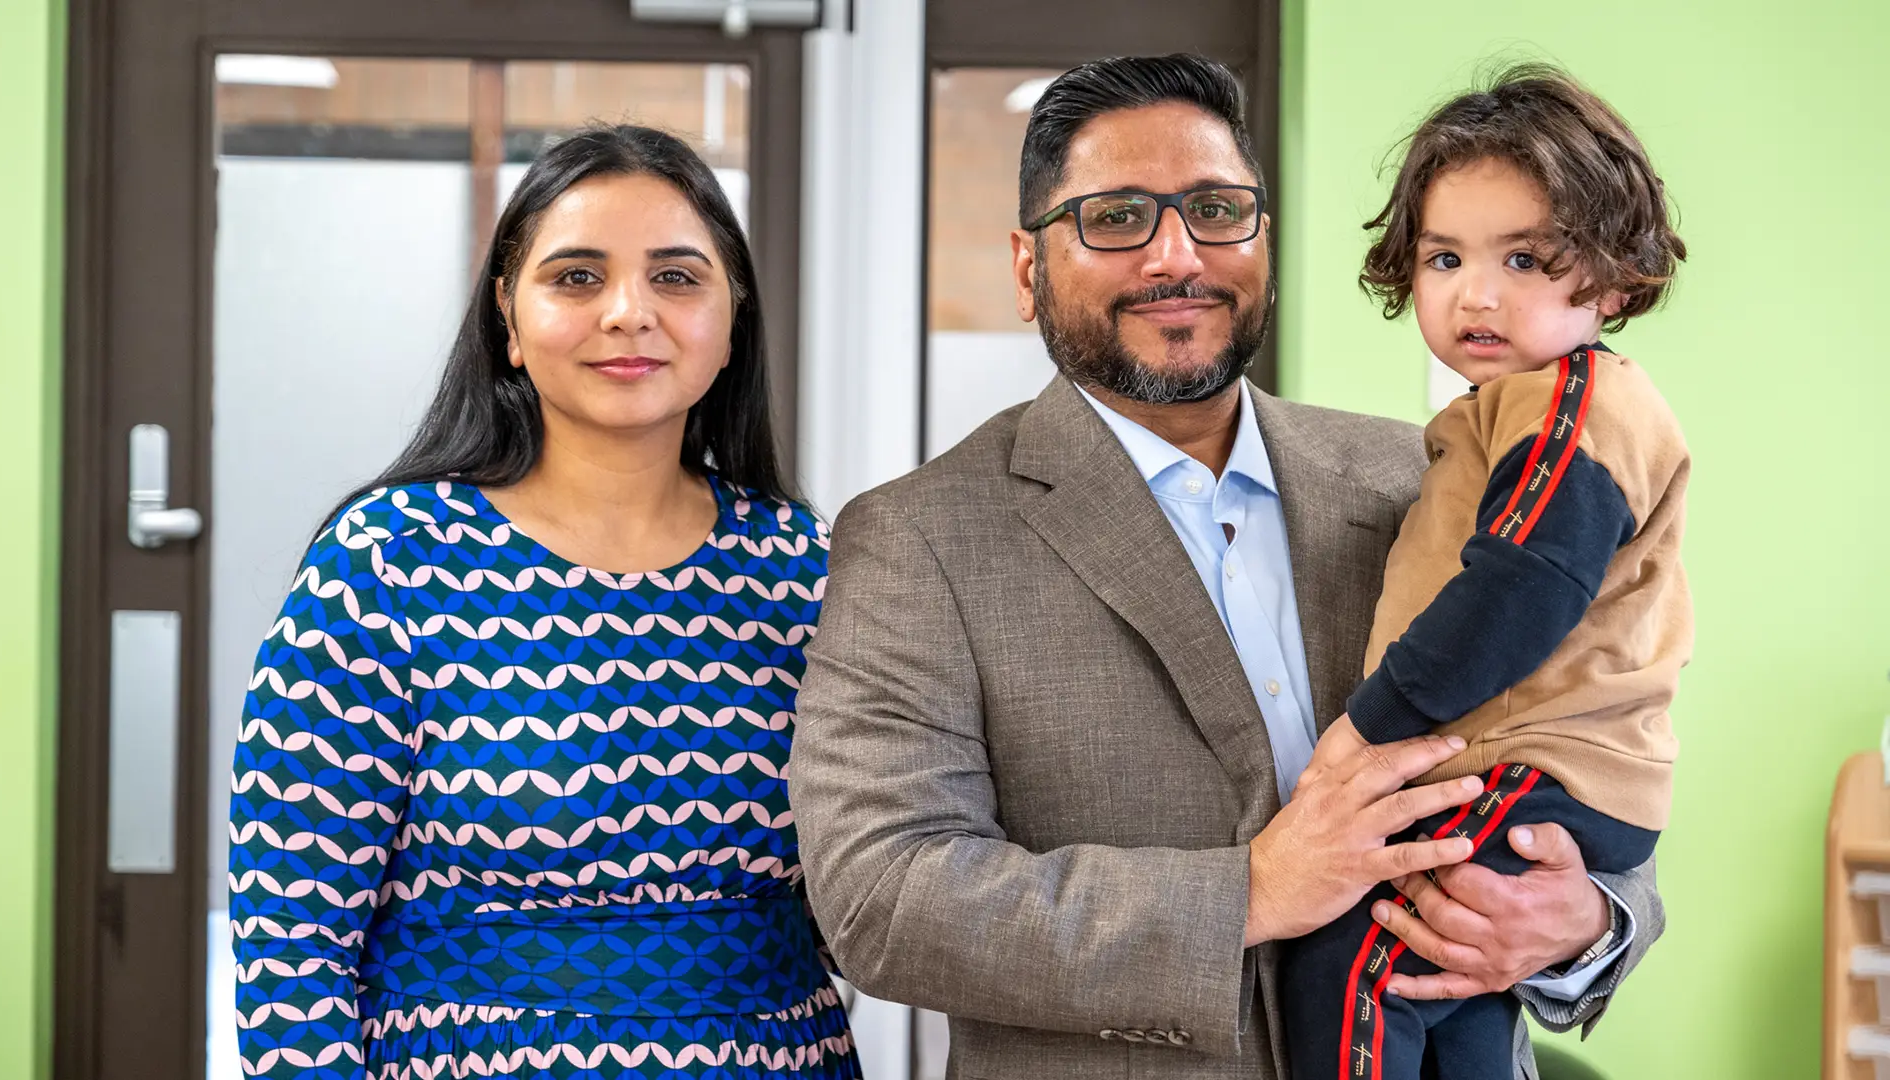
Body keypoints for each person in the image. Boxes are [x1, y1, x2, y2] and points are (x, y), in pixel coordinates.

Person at [788, 54, 1661, 1079]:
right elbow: (884, 899)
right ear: (1029, 266)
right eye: (1116, 217)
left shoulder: (1418, 474)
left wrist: (1579, 926)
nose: (1176, 255)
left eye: (1215, 209)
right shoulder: (920, 538)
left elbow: (1581, 736)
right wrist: (1252, 890)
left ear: (1265, 241)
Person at [228, 125, 856, 1080]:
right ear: (509, 323)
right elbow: (288, 942)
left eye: (678, 278)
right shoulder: (389, 563)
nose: (628, 313)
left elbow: (866, 889)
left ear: (734, 322)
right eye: (576, 277)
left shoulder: (807, 572)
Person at [1282, 64, 1689, 1080]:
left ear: (1614, 274)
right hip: (1539, 771)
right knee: (1447, 987)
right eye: (1445, 256)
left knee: (1354, 948)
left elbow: (1520, 590)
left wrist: (1368, 728)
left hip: (1531, 768)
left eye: (1523, 257)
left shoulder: (1572, 406)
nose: (1475, 291)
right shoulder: (1505, 417)